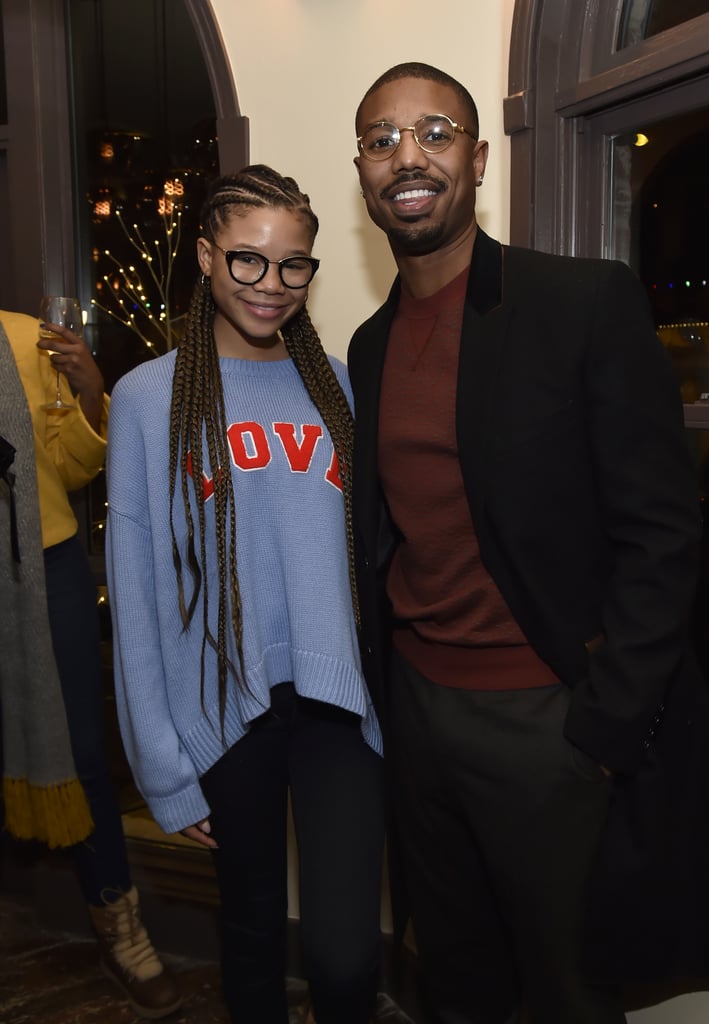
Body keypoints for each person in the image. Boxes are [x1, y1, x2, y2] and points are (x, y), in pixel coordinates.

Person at [348, 61, 709, 1024]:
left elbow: (662, 529)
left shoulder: (580, 302)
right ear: (362, 171)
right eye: (383, 139)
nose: (409, 158)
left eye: (434, 133)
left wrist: (603, 727)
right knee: (459, 980)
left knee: (567, 993)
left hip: (545, 723)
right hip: (421, 716)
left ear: (478, 159)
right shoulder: (370, 344)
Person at [105, 164, 385, 1024]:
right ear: (204, 257)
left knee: (344, 961)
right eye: (248, 261)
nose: (272, 285)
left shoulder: (340, 383)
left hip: (339, 705)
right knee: (255, 934)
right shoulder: (148, 398)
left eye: (293, 264)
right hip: (225, 708)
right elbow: (137, 590)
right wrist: (161, 763)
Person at [0, 309, 181, 1019]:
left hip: (43, 571)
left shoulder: (25, 338)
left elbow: (74, 465)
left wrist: (89, 392)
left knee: (80, 754)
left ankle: (123, 932)